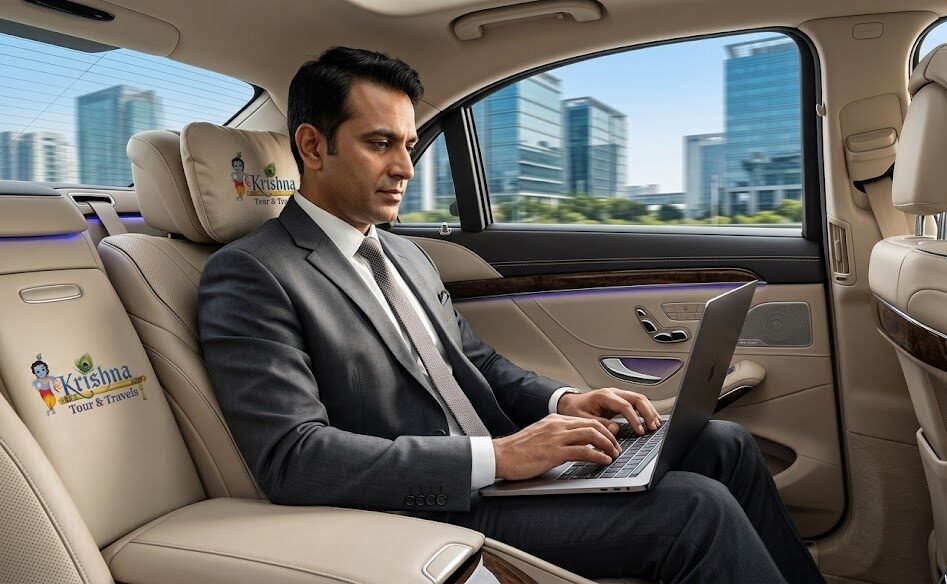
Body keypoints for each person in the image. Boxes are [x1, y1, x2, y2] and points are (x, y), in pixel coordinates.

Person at [198, 47, 825, 584]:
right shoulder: (253, 274)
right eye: (379, 143)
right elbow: (293, 457)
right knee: (697, 509)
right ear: (312, 145)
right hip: (431, 502)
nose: (406, 169)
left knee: (726, 445)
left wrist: (563, 405)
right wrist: (499, 457)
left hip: (501, 469)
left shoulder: (406, 256)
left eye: (409, 145)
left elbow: (476, 363)